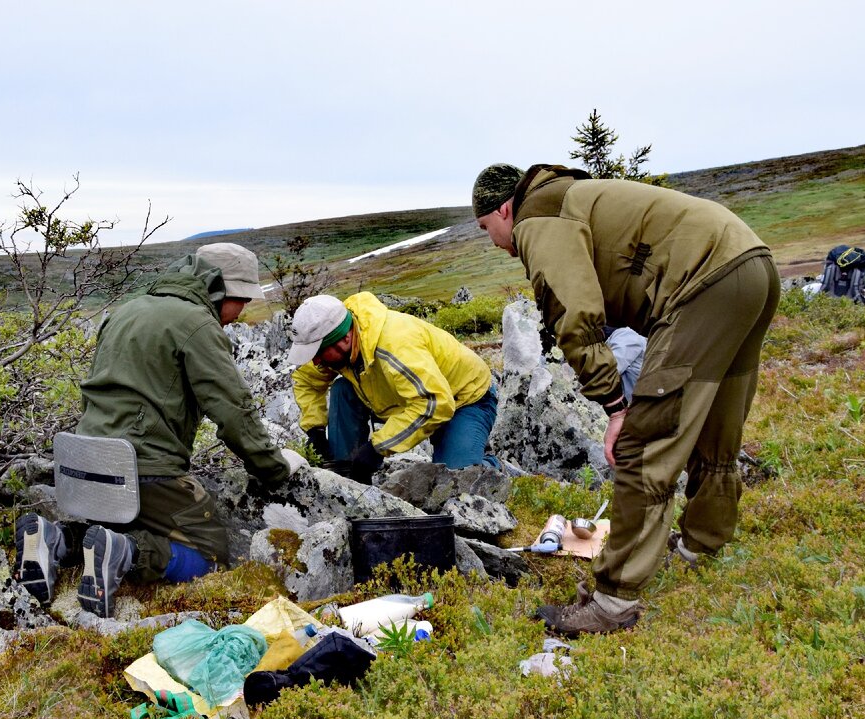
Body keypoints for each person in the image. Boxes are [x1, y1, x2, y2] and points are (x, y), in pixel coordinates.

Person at [472, 163, 780, 635]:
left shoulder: (538, 217)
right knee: (715, 424)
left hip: (701, 281)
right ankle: (701, 545)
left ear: (504, 209)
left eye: (485, 227)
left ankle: (612, 603)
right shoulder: (576, 197)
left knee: (643, 443)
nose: (492, 242)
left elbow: (572, 315)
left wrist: (617, 408)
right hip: (751, 264)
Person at [13, 243, 307, 617]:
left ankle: (53, 537)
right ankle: (129, 555)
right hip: (141, 467)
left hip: (84, 459)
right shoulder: (197, 323)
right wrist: (274, 468)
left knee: (108, 529)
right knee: (209, 555)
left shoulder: (127, 311)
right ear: (218, 288)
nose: (244, 309)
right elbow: (234, 412)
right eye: (242, 298)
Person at [287, 292, 499, 484]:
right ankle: (346, 475)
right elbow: (306, 381)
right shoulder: (337, 342)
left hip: (464, 398)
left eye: (318, 353)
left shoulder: (395, 345)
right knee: (343, 389)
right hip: (405, 395)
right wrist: (315, 429)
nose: (316, 362)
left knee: (454, 482)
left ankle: (492, 466)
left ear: (344, 339)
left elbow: (434, 403)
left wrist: (377, 448)